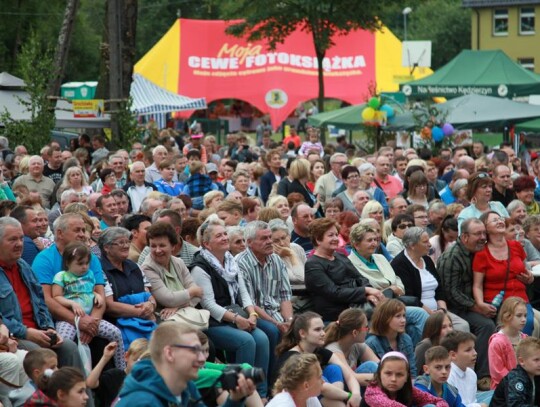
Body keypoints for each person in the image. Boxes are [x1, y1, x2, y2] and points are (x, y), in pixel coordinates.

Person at [190, 215, 270, 398]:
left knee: (264, 337)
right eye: (219, 236)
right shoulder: (200, 267)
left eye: (225, 233)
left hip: (236, 314)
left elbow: (244, 293)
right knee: (247, 341)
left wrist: (252, 315)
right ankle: (240, 394)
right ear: (207, 244)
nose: (225, 238)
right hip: (214, 322)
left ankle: (262, 393)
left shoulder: (231, 261)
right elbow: (208, 304)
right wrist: (237, 319)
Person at [115, 322, 255, 407]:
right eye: (194, 350)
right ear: (169, 353)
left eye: (202, 351)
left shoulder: (185, 387)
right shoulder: (142, 402)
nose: (202, 359)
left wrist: (235, 400)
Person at [437, 218, 496, 390]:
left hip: (477, 302)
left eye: (484, 233)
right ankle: (483, 376)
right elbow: (451, 293)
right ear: (464, 237)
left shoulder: (481, 252)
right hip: (456, 307)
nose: (483, 237)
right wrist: (477, 307)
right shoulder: (452, 257)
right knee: (486, 325)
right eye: (478, 234)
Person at [348, 223, 429, 346]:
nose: (374, 243)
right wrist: (391, 289)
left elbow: (397, 280)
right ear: (356, 244)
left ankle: (414, 358)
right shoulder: (350, 263)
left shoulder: (380, 257)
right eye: (369, 240)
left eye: (375, 240)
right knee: (420, 314)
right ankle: (426, 353)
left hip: (395, 301)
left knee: (411, 330)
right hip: (376, 308)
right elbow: (369, 288)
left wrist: (396, 289)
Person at [52, 241, 126, 369]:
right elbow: (56, 296)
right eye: (80, 264)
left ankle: (122, 368)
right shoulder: (62, 276)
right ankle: (63, 375)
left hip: (90, 317)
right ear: (68, 263)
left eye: (87, 263)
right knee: (64, 342)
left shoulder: (89, 275)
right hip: (70, 319)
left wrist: (96, 295)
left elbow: (88, 290)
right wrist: (71, 303)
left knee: (116, 333)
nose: (84, 267)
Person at [305, 218, 384, 322]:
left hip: (358, 307)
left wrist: (369, 294)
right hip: (337, 315)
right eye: (330, 235)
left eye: (336, 235)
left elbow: (360, 278)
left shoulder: (340, 256)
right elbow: (334, 292)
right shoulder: (313, 264)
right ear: (318, 240)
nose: (336, 238)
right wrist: (365, 291)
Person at [275, 312, 362, 407]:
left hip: (322, 395)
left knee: (334, 368)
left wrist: (356, 394)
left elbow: (349, 374)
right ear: (302, 333)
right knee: (318, 376)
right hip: (296, 399)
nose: (323, 333)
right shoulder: (293, 358)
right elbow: (321, 387)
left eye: (323, 329)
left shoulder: (319, 350)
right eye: (317, 330)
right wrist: (349, 396)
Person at [391, 227, 469, 332]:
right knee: (442, 331)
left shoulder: (427, 260)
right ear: (412, 245)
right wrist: (431, 314)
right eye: (425, 242)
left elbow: (439, 289)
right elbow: (410, 297)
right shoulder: (400, 264)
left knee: (462, 326)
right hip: (421, 312)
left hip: (439, 310)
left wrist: (442, 310)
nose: (430, 244)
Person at [472, 211, 537, 336]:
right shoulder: (481, 253)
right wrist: (480, 304)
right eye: (494, 220)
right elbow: (477, 285)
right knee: (525, 322)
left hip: (521, 298)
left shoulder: (516, 245)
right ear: (486, 228)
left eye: (500, 218)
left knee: (530, 322)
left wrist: (529, 277)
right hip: (499, 302)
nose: (500, 221)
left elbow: (527, 272)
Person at [140, 222, 204, 321]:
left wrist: (178, 306)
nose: (157, 250)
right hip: (163, 319)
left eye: (162, 245)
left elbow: (199, 295)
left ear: (173, 246)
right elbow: (168, 299)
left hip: (186, 316)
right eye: (153, 246)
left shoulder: (179, 262)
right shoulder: (147, 268)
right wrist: (192, 292)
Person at [362, 351, 447, 406]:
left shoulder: (409, 390)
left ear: (407, 377)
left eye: (399, 375)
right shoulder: (372, 391)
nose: (393, 379)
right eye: (388, 373)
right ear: (380, 374)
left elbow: (438, 400)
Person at [87, 338, 148, 407]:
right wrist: (105, 358)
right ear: (126, 356)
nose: (139, 366)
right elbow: (90, 383)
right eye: (136, 361)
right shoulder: (114, 376)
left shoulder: (147, 384)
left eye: (144, 363)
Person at [324, 308, 379, 385]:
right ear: (355, 333)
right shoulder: (333, 349)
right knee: (371, 367)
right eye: (366, 327)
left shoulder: (357, 344)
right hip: (340, 389)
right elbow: (351, 377)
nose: (368, 330)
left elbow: (380, 365)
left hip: (352, 385)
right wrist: (384, 379)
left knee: (377, 367)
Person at [365, 299, 418, 377]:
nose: (403, 320)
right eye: (398, 316)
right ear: (385, 319)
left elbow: (412, 371)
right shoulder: (372, 343)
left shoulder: (406, 338)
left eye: (404, 316)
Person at [440, 331, 492, 407]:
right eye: (468, 350)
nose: (475, 353)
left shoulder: (471, 374)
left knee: (496, 394)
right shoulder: (448, 376)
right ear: (453, 355)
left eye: (474, 348)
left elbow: (472, 400)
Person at [488, 296, 529, 389]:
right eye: (519, 315)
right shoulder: (497, 342)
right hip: (504, 389)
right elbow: (497, 372)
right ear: (507, 316)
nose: (523, 319)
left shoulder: (525, 339)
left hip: (524, 385)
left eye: (525, 315)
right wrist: (518, 383)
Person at [489, 337, 540, 407]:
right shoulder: (516, 379)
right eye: (536, 360)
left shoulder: (536, 374)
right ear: (522, 361)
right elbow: (515, 405)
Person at [268, 219, 306, 284]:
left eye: (283, 238)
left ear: (289, 236)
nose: (282, 243)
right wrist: (291, 254)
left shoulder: (297, 248)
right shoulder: (272, 259)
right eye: (276, 241)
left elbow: (309, 274)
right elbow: (301, 279)